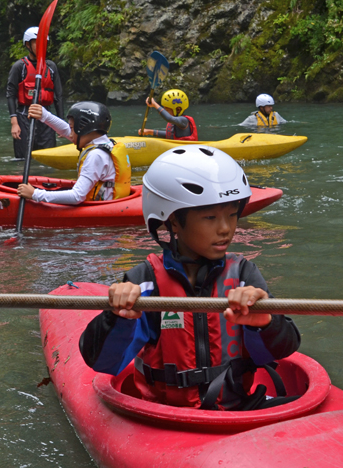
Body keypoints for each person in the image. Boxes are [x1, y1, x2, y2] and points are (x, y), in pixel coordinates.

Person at [78, 146, 301, 410]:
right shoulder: (145, 282)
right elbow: (102, 362)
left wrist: (264, 322)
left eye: (232, 215)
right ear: (173, 222)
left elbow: (283, 348)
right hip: (167, 414)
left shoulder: (243, 275)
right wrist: (116, 318)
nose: (225, 228)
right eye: (210, 217)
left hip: (238, 407)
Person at [17, 101, 130, 204]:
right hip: (112, 200)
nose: (69, 134)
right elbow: (68, 131)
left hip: (101, 208)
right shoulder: (104, 143)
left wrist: (35, 194)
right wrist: (45, 116)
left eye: (72, 128)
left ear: (83, 128)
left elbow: (77, 196)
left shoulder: (95, 156)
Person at [6, 27, 64, 159]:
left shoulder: (51, 67)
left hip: (46, 117)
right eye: (37, 43)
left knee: (49, 158)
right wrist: (14, 123)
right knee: (24, 159)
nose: (42, 47)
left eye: (44, 43)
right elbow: (10, 94)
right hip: (24, 116)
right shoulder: (19, 67)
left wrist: (61, 123)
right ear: (28, 45)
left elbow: (58, 96)